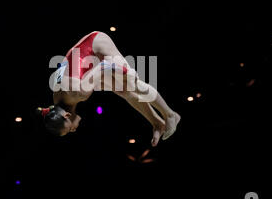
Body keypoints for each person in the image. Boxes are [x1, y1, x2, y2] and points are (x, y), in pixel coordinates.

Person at [37, 31, 180, 147]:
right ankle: (157, 124)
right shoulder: (56, 99)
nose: (73, 130)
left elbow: (104, 65)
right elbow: (63, 68)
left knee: (132, 84)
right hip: (86, 65)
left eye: (69, 129)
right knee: (125, 91)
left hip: (95, 44)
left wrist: (126, 72)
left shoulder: (78, 93)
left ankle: (170, 115)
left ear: (67, 116)